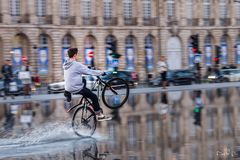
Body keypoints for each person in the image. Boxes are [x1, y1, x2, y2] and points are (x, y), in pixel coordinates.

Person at [63, 48, 110, 121]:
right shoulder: (76, 64)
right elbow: (89, 72)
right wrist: (101, 72)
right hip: (76, 88)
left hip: (67, 88)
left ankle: (70, 94)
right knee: (94, 97)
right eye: (77, 54)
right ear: (75, 55)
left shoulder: (66, 63)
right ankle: (99, 115)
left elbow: (82, 68)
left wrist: (87, 67)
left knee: (83, 80)